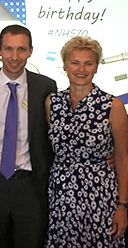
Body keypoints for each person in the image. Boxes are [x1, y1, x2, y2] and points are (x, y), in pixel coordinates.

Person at [0, 24, 57, 248]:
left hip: (31, 186)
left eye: (21, 49)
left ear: (30, 51)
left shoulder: (46, 86)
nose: (14, 57)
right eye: (8, 49)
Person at [45, 36, 128, 247]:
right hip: (62, 196)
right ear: (65, 65)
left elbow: (122, 157)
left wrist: (122, 206)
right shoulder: (52, 103)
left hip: (101, 196)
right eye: (75, 62)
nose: (81, 69)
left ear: (96, 67)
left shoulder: (113, 105)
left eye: (88, 63)